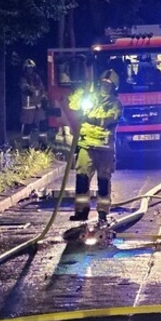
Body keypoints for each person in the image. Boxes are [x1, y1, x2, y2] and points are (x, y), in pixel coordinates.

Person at [65, 69, 124, 224]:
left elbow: (110, 118)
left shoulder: (115, 103)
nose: (105, 86)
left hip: (104, 148)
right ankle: (81, 211)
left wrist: (91, 117)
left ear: (113, 87)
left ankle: (103, 213)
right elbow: (73, 104)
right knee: (82, 177)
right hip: (86, 145)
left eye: (108, 84)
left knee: (103, 181)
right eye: (103, 83)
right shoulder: (90, 97)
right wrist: (80, 91)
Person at [19, 59, 48, 146]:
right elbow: (26, 88)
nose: (30, 70)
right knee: (28, 125)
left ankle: (43, 142)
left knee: (42, 123)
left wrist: (44, 97)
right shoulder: (23, 78)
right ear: (25, 69)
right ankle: (25, 144)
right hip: (28, 106)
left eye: (31, 68)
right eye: (28, 68)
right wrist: (33, 89)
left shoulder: (36, 77)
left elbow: (42, 88)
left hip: (38, 106)